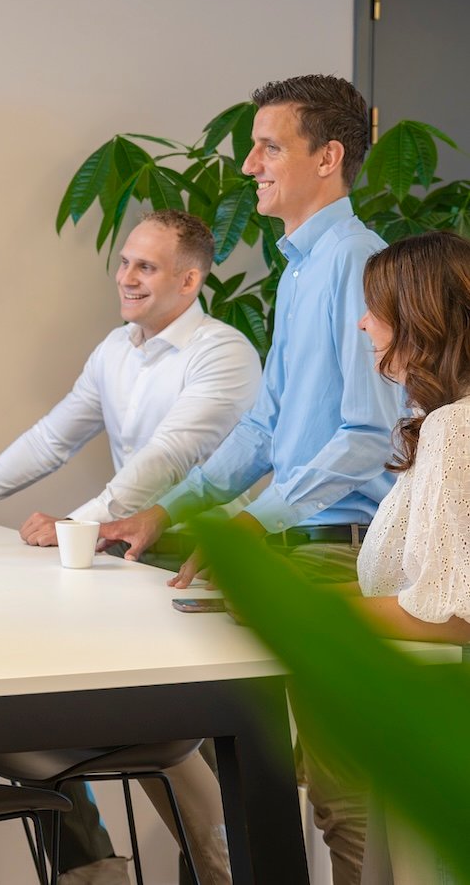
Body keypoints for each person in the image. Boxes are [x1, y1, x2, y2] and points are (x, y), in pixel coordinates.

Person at [103, 75, 404, 885]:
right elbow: (266, 430)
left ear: (328, 158)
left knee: (343, 797)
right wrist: (168, 512)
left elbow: (366, 437)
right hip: (290, 547)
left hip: (336, 553)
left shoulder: (358, 262)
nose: (248, 166)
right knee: (274, 779)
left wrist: (248, 522)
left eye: (269, 147)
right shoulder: (300, 268)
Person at [0, 209, 262, 885]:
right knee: (108, 703)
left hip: (201, 559)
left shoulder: (223, 353)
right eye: (124, 262)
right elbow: (52, 438)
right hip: (130, 551)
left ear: (190, 281)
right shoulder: (116, 350)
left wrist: (81, 525)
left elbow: (166, 459)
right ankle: (111, 867)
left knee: (175, 721)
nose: (126, 277)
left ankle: (225, 867)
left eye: (146, 267)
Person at [352, 232, 470, 883]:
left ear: (418, 317)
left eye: (376, 308)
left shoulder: (455, 428)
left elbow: (451, 614)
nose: (363, 324)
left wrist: (300, 611)